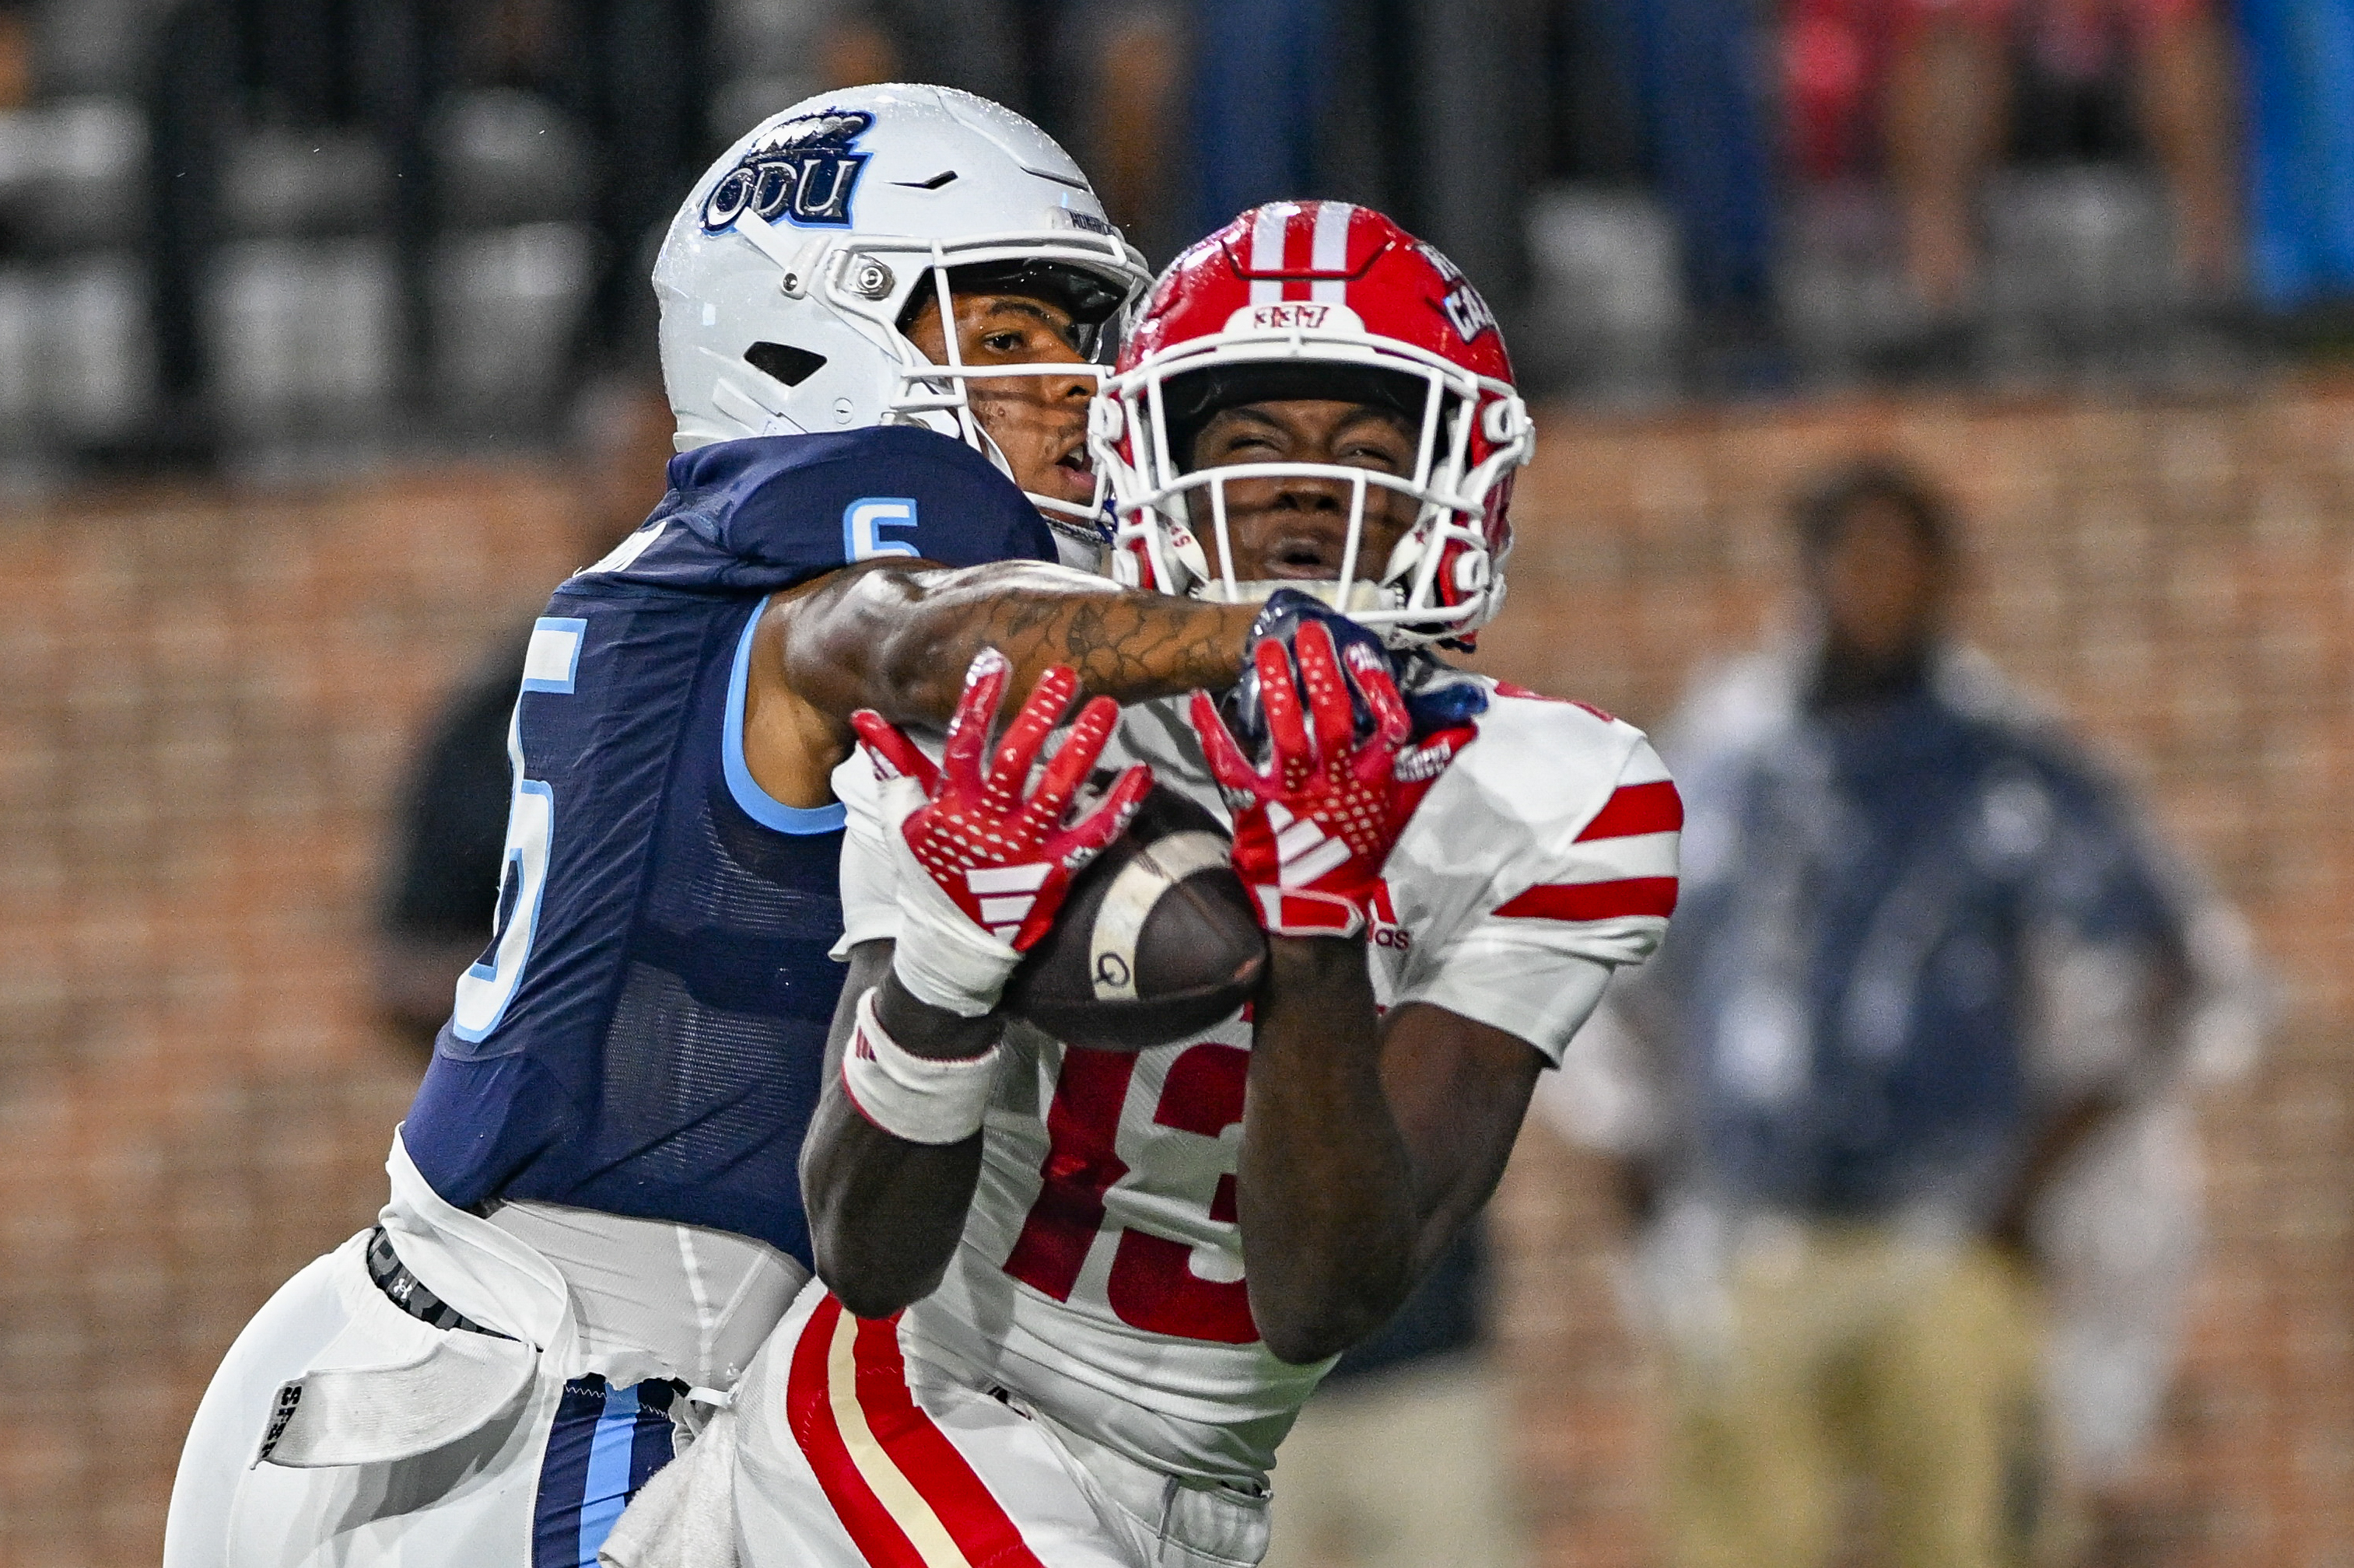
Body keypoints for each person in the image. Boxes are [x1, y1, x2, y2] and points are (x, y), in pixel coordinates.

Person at [161, 82, 1291, 1568]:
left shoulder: (710, 569)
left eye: (1079, 342)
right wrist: (1266, 643)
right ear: (804, 331)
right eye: (1009, 339)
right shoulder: (863, 534)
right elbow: (908, 626)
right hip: (580, 1393)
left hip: (470, 1348)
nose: (1073, 393)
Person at [627, 200, 1682, 1568]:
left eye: (1369, 449)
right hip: (914, 1413)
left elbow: (1319, 1297)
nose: (1310, 486)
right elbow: (864, 1258)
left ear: (1461, 480)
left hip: (1203, 1494)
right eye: (1251, 444)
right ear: (1146, 461)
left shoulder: (1560, 794)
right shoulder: (1015, 701)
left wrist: (1314, 933)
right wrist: (942, 983)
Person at [1542, 461, 2260, 1568]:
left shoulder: (2004, 773)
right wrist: (1645, 1199)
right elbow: (1598, 979)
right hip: (1754, 1244)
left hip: (1946, 1242)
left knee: (1967, 1536)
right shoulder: (1727, 771)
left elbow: (2167, 980)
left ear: (1944, 581)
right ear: (1810, 573)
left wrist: (2020, 1194)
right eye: (1853, 555)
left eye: (1901, 558)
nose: (1874, 584)